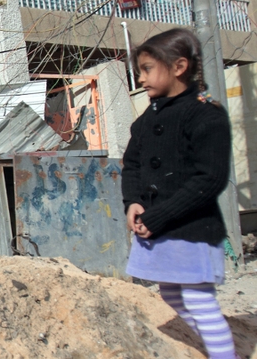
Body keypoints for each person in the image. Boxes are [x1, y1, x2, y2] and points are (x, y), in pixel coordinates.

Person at [122, 28, 237, 359]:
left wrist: (158, 216)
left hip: (191, 230)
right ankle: (222, 350)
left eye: (147, 69)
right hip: (159, 227)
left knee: (200, 301)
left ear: (179, 66)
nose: (141, 79)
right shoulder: (148, 118)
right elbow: (131, 165)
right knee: (172, 296)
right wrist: (133, 202)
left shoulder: (205, 113)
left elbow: (211, 178)